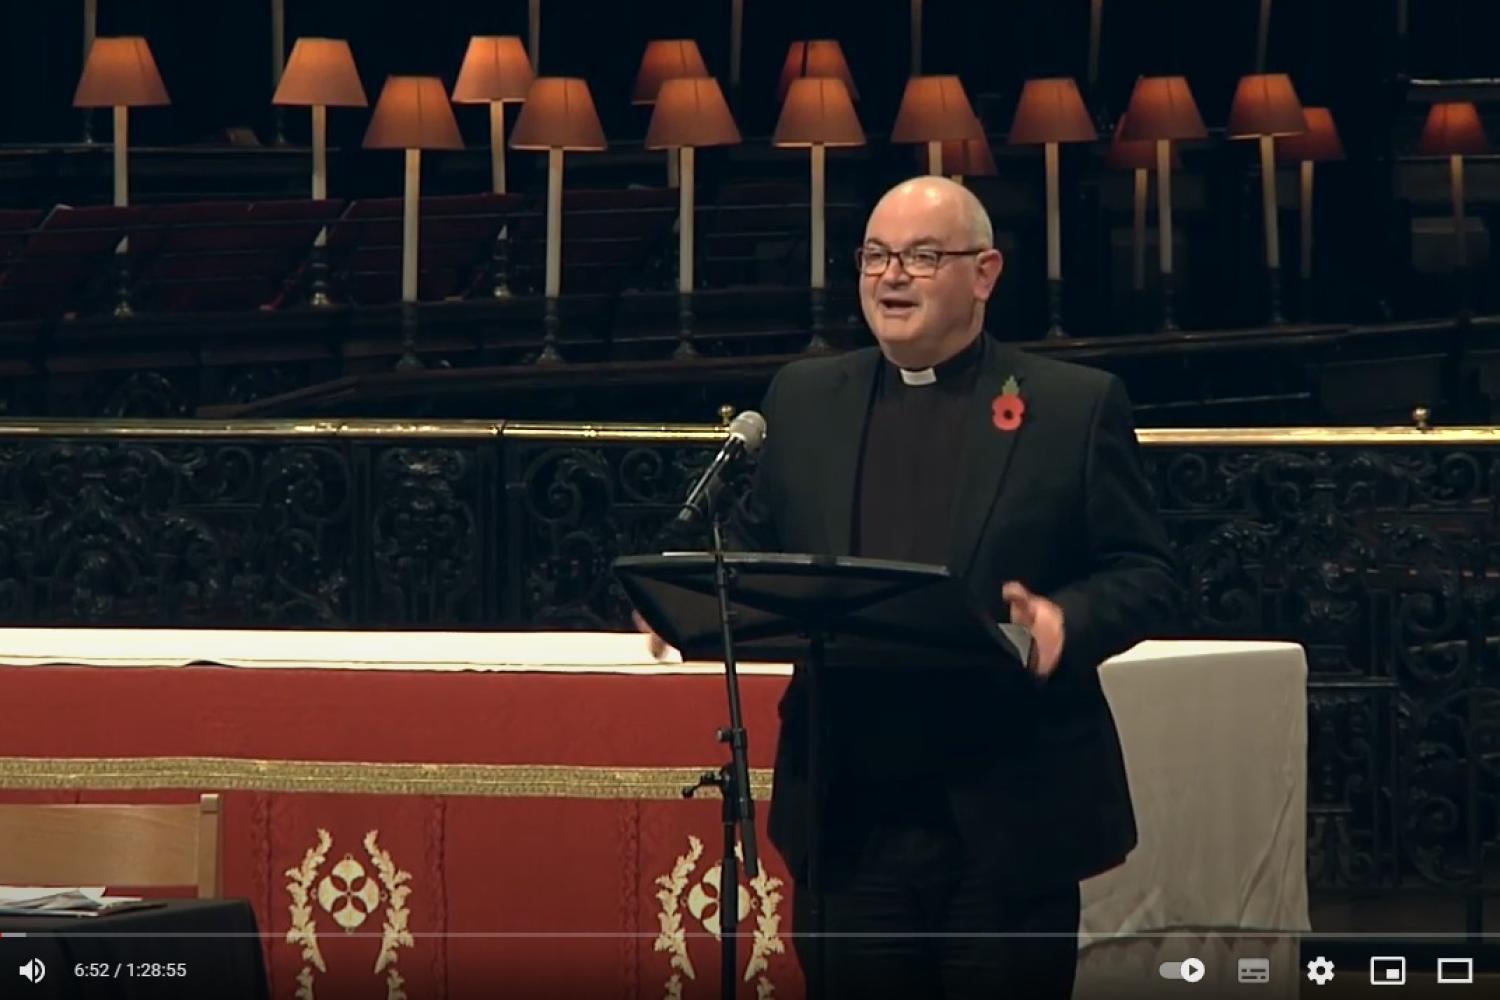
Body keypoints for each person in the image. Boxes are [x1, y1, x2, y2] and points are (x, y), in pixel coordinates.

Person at [643, 175, 1179, 999]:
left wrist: (1066, 620)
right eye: (876, 256)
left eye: (924, 257)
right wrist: (687, 593)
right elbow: (757, 542)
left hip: (1006, 817)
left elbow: (1147, 573)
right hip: (849, 818)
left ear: (986, 274)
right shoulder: (806, 397)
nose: (892, 277)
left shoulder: (1071, 407)